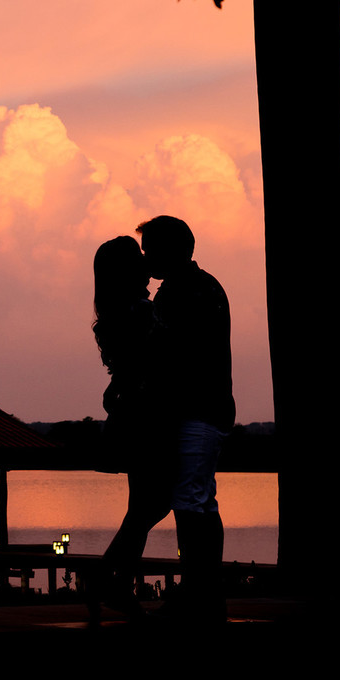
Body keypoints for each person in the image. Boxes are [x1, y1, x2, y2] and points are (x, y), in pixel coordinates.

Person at [138, 215, 235, 622]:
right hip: (199, 410)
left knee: (193, 501)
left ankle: (199, 589)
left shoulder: (193, 292)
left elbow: (177, 355)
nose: (145, 259)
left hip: (199, 410)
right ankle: (202, 589)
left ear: (172, 250)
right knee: (198, 501)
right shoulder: (188, 289)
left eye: (150, 250)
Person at [92, 235, 175, 616]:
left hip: (131, 415)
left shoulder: (112, 313)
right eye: (138, 257)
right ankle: (109, 576)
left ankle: (116, 581)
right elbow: (157, 360)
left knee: (142, 505)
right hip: (148, 418)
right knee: (152, 504)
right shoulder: (142, 310)